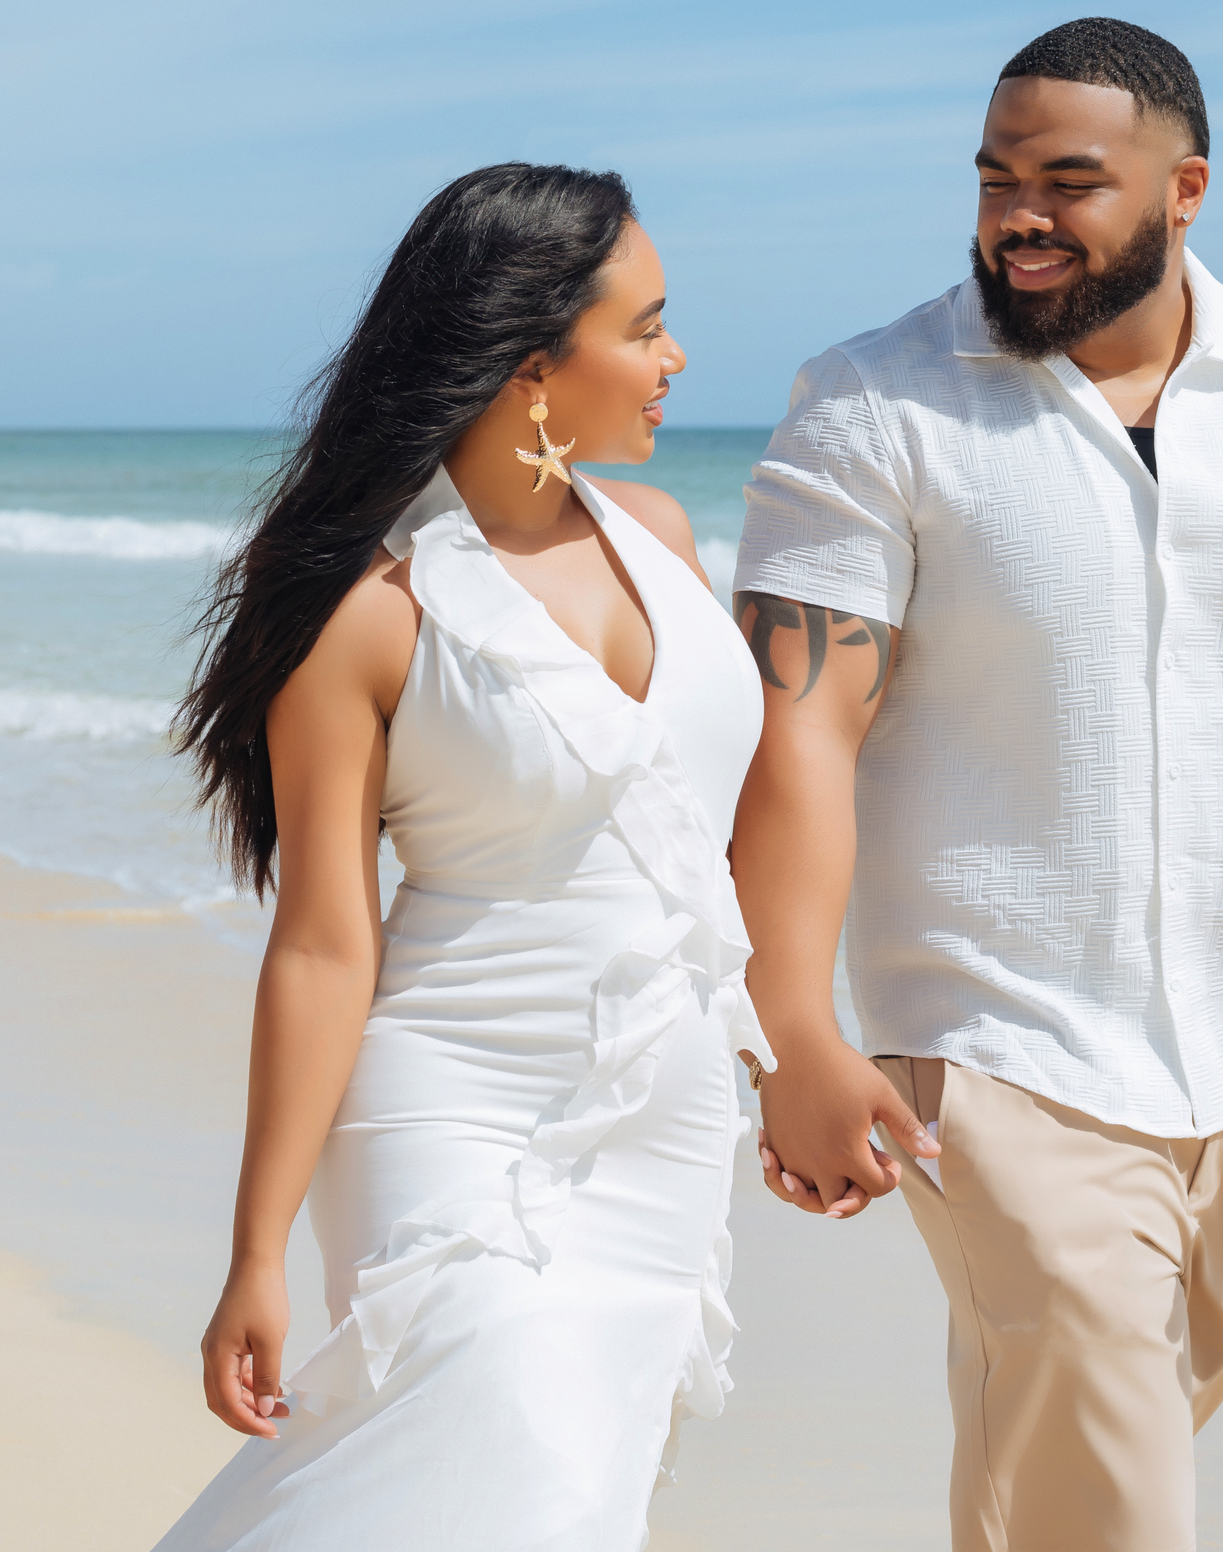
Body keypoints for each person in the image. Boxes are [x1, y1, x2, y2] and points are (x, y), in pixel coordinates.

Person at [729, 18, 1223, 1552]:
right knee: (1116, 1495)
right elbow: (799, 732)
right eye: (998, 177)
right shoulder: (873, 404)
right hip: (989, 1046)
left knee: (1064, 1473)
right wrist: (793, 1027)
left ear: (1185, 189)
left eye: (1070, 182)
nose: (1019, 214)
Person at [155, 163, 773, 1550]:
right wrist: (256, 1250)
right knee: (509, 1470)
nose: (676, 360)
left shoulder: (664, 540)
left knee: (566, 1502)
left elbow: (702, 860)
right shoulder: (374, 614)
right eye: (647, 327)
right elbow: (324, 941)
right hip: (456, 1114)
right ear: (534, 366)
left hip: (668, 1142)